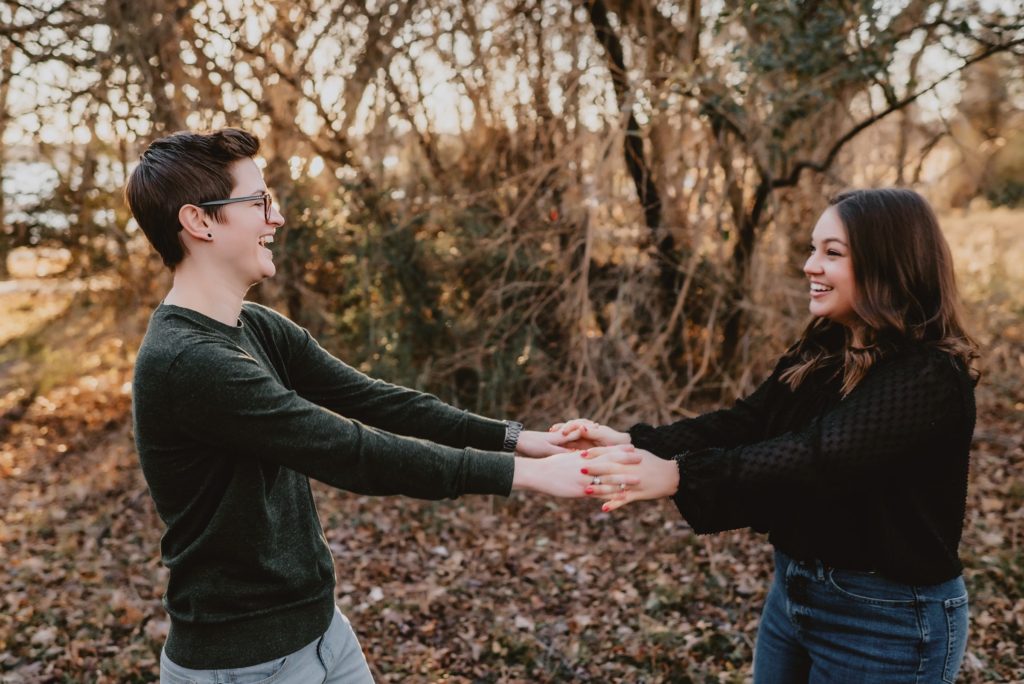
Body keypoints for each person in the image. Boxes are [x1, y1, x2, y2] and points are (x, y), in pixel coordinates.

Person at [125, 128, 624, 683]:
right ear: (200, 222)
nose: (277, 218)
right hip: (246, 664)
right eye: (259, 201)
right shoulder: (190, 362)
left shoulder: (254, 326)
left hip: (321, 634)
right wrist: (525, 475)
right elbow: (353, 451)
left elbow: (373, 399)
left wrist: (515, 438)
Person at [557, 188, 978, 683]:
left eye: (832, 253)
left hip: (885, 621)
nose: (809, 265)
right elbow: (749, 421)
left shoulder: (927, 376)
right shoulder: (826, 348)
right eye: (813, 248)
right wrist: (634, 443)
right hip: (794, 594)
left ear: (889, 264)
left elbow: (819, 456)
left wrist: (679, 476)